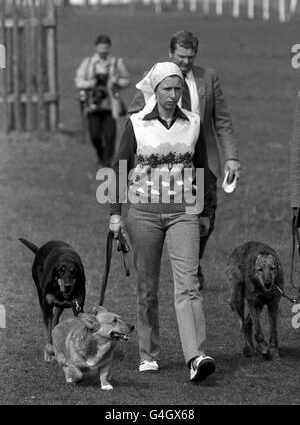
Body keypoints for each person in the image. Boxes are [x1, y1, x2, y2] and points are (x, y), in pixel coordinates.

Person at [108, 62, 216, 383]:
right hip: (143, 213)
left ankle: (196, 356)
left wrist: (204, 211)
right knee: (147, 286)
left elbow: (201, 168)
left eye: (178, 89)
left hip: (184, 212)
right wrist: (115, 213)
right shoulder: (136, 124)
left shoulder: (193, 123)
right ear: (154, 90)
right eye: (167, 89)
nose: (173, 95)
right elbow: (119, 169)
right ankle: (148, 354)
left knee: (189, 284)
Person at [128, 30, 241, 289]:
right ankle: (186, 265)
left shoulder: (208, 77)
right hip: (165, 162)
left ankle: (192, 260)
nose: (186, 62)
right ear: (171, 53)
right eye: (181, 56)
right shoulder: (157, 77)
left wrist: (231, 157)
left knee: (206, 215)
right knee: (174, 212)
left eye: (191, 57)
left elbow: (222, 121)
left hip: (204, 158)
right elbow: (133, 113)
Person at [75, 34, 130, 167]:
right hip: (93, 105)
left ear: (109, 48)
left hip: (110, 106)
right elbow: (79, 81)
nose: (103, 51)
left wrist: (115, 81)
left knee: (110, 136)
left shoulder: (116, 63)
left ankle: (107, 164)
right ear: (95, 48)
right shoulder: (88, 63)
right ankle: (101, 155)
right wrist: (92, 83)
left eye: (106, 48)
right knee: (95, 136)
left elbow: (126, 80)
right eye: (101, 48)